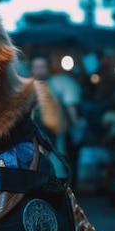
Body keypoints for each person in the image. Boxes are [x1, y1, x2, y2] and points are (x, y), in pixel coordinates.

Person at [30, 53, 85, 185]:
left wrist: (75, 126)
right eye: (37, 67)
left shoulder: (59, 84)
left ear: (48, 68)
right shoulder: (26, 88)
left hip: (55, 136)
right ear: (31, 69)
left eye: (42, 66)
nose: (39, 70)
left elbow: (71, 109)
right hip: (32, 138)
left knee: (56, 171)